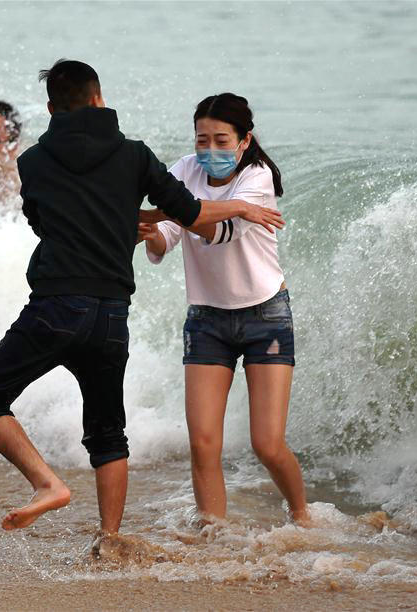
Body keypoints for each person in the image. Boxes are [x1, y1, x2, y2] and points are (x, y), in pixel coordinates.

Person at [0, 61, 285, 536]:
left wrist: (106, 222)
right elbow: (188, 212)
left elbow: (42, 225)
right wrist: (236, 203)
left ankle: (47, 483)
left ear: (52, 108)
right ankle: (109, 538)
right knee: (108, 434)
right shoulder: (134, 155)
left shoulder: (30, 162)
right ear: (99, 99)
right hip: (111, 315)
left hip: (54, 309)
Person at [139, 93, 310, 526]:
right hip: (207, 320)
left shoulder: (258, 178)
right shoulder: (183, 170)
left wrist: (170, 211)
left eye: (220, 140)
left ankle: (302, 514)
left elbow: (218, 232)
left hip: (265, 316)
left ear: (243, 139)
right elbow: (166, 235)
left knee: (267, 444)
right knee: (202, 442)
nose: (209, 150)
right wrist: (152, 233)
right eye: (202, 140)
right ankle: (212, 534)